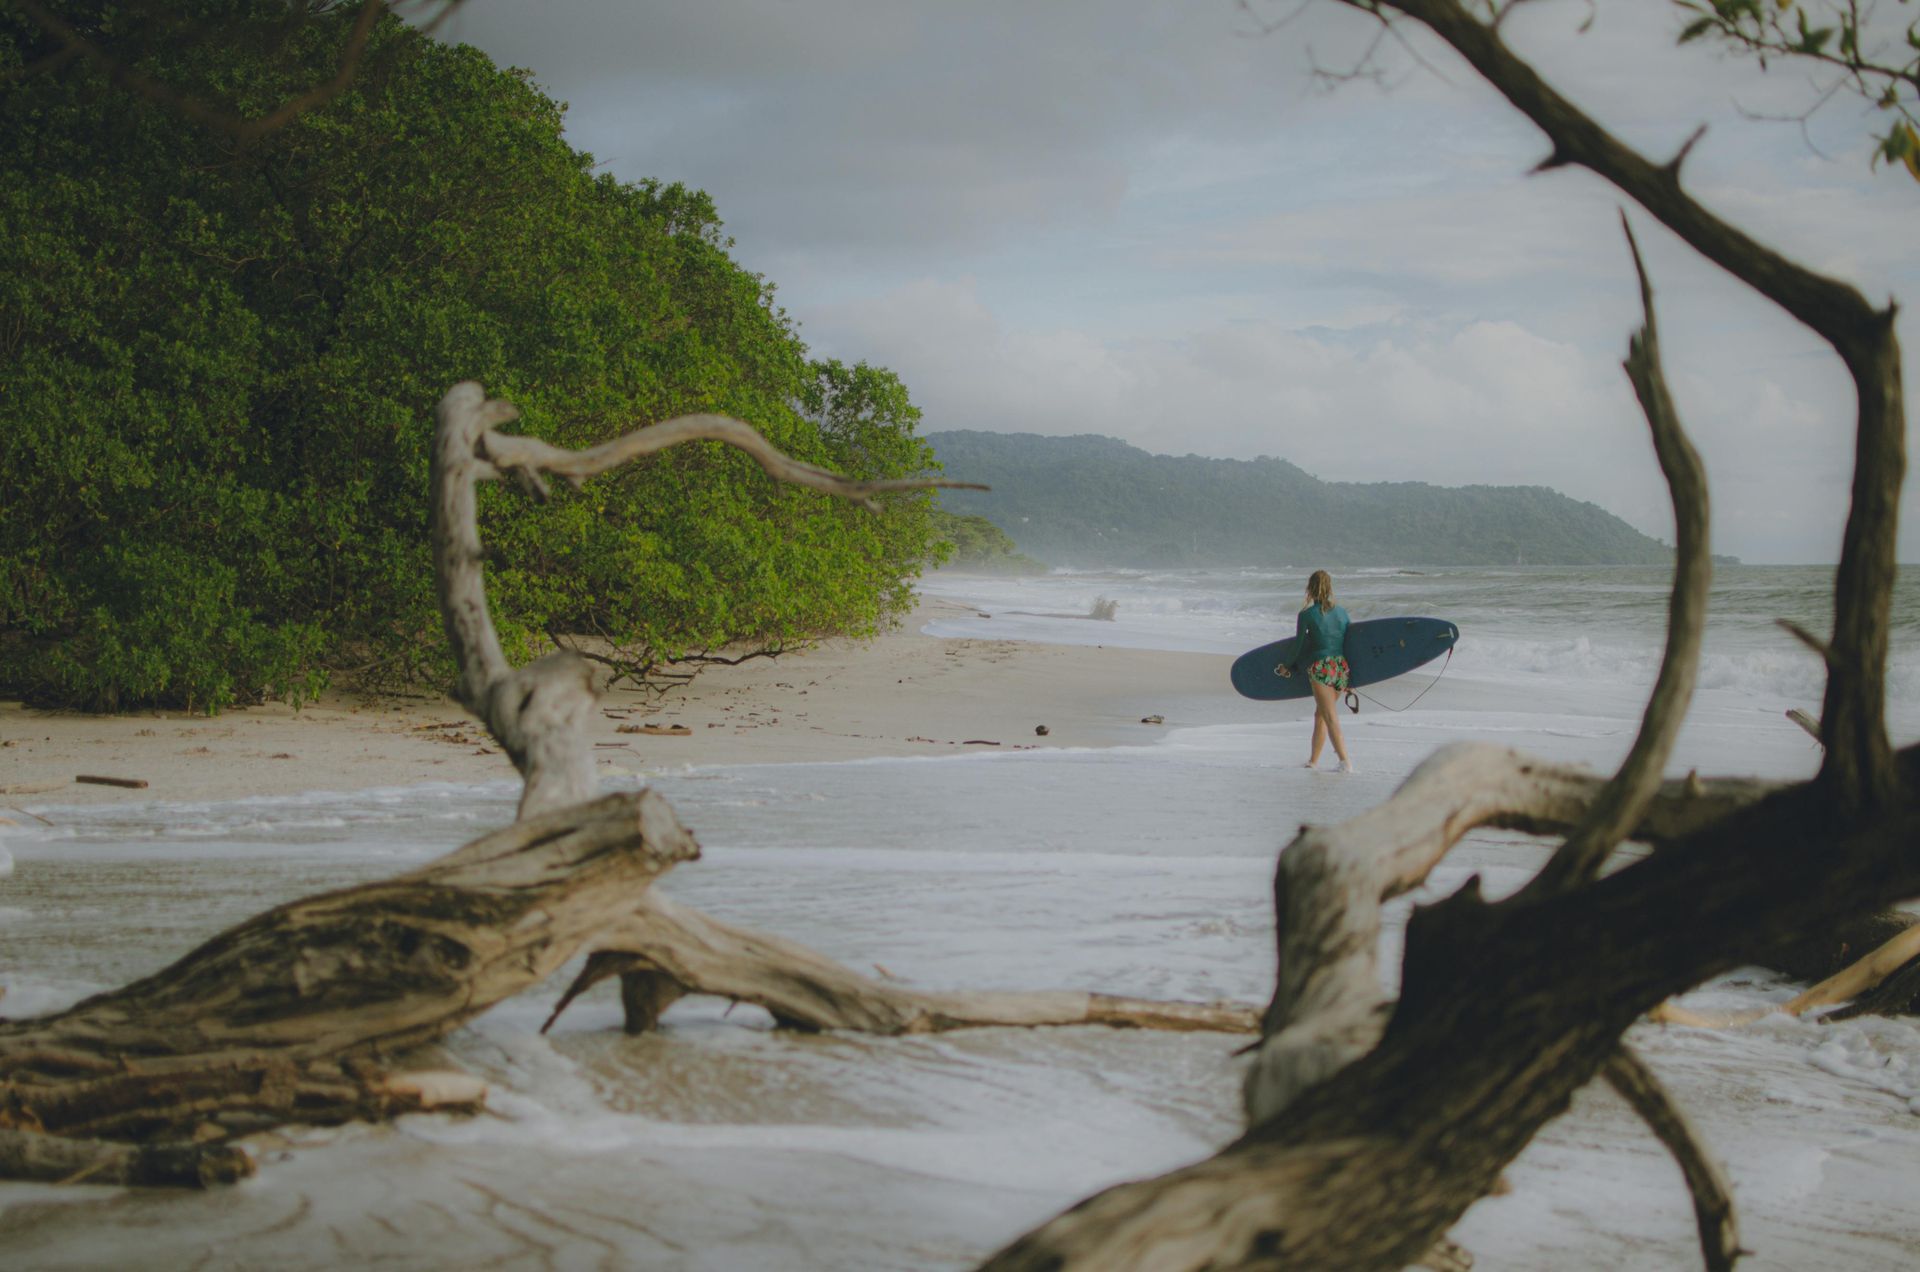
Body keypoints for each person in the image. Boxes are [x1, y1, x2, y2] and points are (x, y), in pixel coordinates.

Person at [1275, 569, 1355, 773]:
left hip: (1320, 667)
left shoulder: (1306, 615)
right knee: (1320, 714)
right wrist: (1352, 677)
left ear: (1310, 588)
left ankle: (1345, 762)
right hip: (1340, 667)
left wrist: (1287, 666)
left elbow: (1299, 645)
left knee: (1329, 715)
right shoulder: (1342, 613)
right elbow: (1352, 643)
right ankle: (1313, 761)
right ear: (1330, 588)